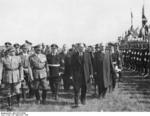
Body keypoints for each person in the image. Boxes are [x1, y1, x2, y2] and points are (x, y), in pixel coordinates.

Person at [71, 43, 93, 107]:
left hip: (85, 75)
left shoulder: (87, 55)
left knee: (84, 89)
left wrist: (91, 73)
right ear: (78, 48)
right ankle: (76, 103)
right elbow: (72, 66)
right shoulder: (74, 55)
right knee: (76, 89)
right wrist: (72, 75)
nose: (81, 48)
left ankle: (83, 100)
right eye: (80, 47)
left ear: (84, 48)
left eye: (82, 47)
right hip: (77, 76)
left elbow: (90, 65)